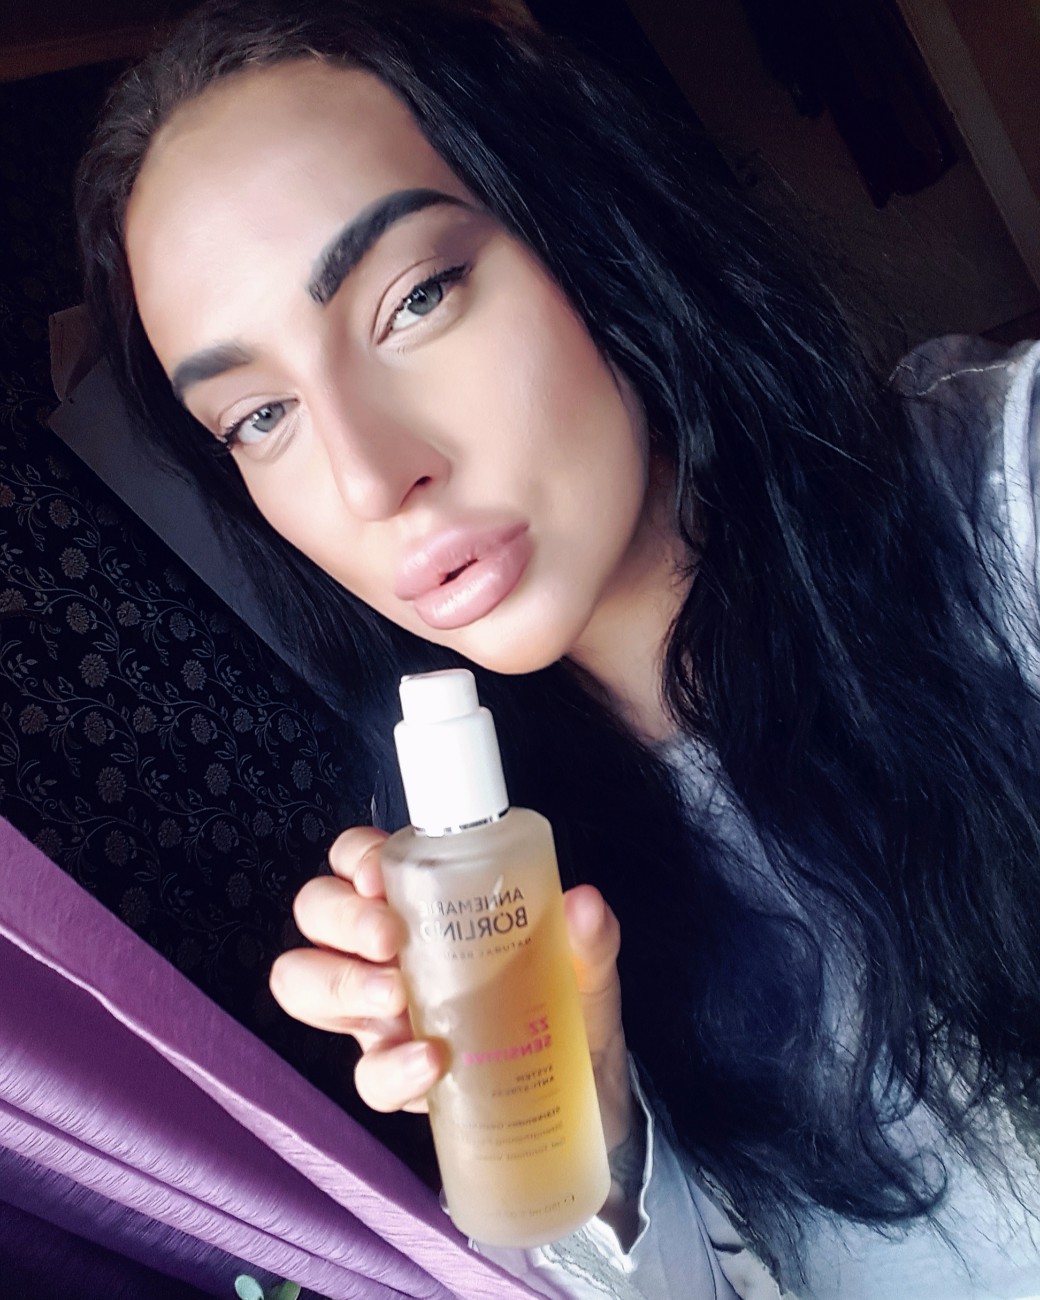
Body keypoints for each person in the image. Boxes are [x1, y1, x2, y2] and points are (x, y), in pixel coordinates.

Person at [75, 0, 1040, 1295]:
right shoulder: (470, 871)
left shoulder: (1002, 496)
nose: (368, 478)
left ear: (585, 225)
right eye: (259, 417)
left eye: (415, 297)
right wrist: (590, 1125)